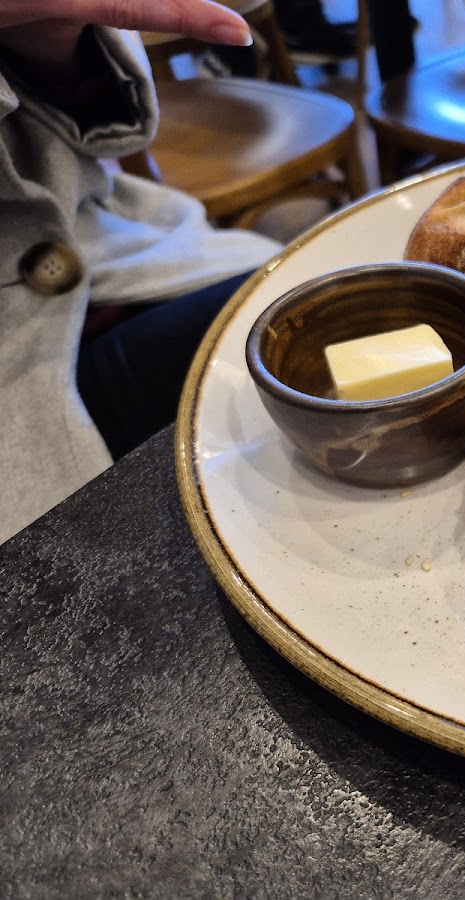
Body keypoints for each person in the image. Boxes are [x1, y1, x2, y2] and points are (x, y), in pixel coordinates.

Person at [0, 0, 284, 543]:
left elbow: (105, 132)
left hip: (108, 255)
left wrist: (52, 47)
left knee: (319, 298)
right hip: (23, 409)